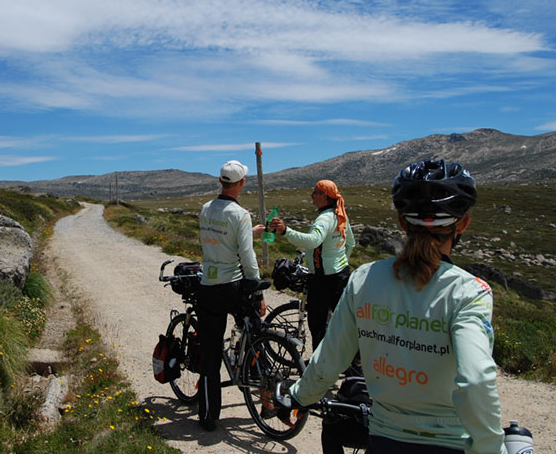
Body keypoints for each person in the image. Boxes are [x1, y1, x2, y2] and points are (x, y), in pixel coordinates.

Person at [285, 160, 506, 454]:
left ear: (402, 222)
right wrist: (492, 448)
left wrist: (299, 396)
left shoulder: (364, 278)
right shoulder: (470, 292)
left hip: (383, 438)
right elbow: (476, 380)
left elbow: (330, 357)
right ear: (462, 223)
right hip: (451, 443)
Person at [197, 159, 267, 432]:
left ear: (220, 181)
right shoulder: (241, 214)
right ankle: (267, 400)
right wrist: (256, 286)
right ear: (241, 184)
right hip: (232, 286)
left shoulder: (205, 209)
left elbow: (217, 238)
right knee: (256, 335)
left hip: (208, 286)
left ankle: (208, 415)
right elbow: (247, 256)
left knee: (210, 354)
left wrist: (247, 233)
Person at [269, 179, 355, 351]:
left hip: (322, 278)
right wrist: (339, 261)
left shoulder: (324, 219)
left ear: (325, 196)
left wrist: (286, 231)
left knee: (318, 325)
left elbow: (313, 241)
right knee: (344, 321)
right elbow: (350, 243)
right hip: (341, 275)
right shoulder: (339, 214)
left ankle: (320, 366)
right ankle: (353, 365)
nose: (311, 195)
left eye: (315, 192)